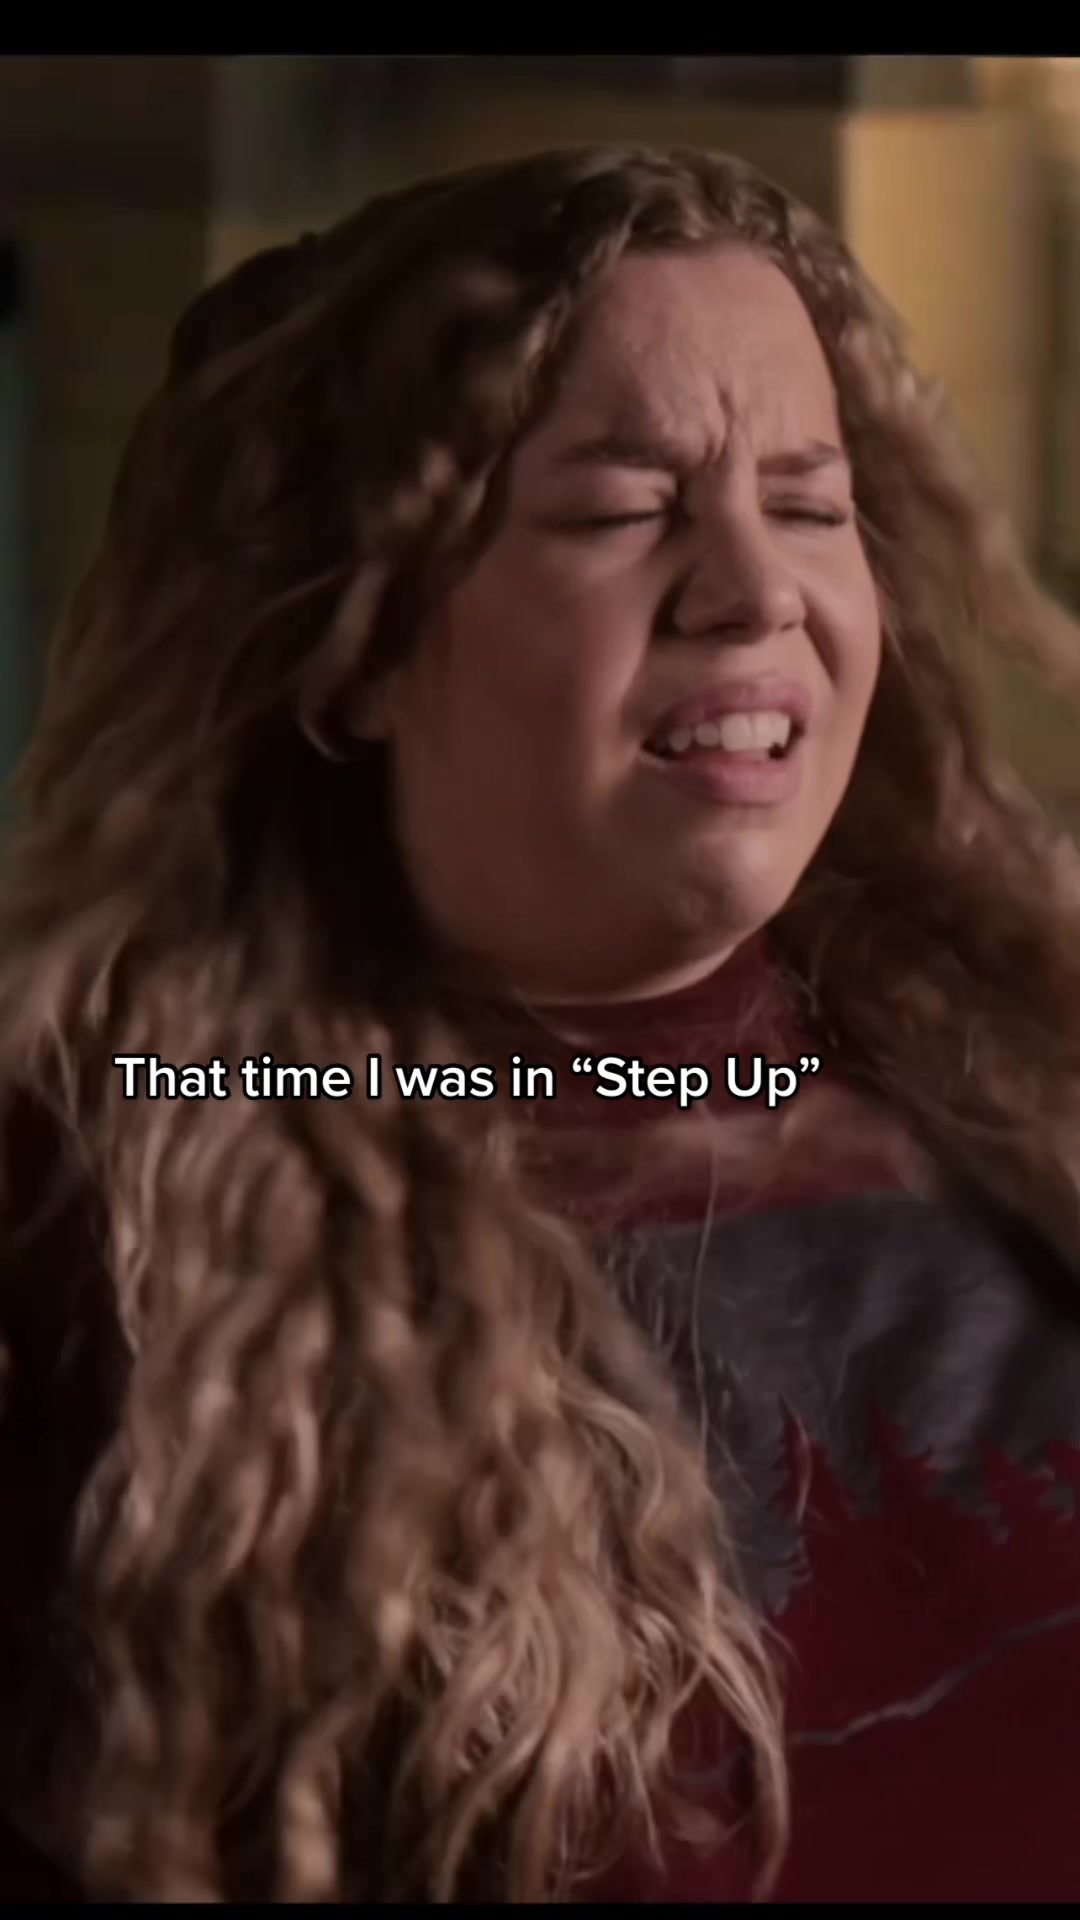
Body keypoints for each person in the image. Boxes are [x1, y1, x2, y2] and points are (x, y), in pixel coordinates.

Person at [1, 141, 1079, 1905]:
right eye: (618, 511)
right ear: (355, 644)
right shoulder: (109, 1230)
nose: (756, 591)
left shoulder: (1029, 1075)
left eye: (809, 505)